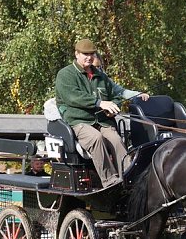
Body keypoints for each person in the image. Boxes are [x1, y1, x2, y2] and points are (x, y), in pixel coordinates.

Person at [55, 38, 149, 188]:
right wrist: (99, 103)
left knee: (116, 140)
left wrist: (114, 108)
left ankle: (130, 177)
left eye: (91, 54)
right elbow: (73, 97)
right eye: (85, 54)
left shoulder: (101, 76)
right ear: (76, 54)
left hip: (103, 121)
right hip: (79, 121)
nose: (89, 57)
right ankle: (110, 181)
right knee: (96, 139)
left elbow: (116, 96)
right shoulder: (66, 74)